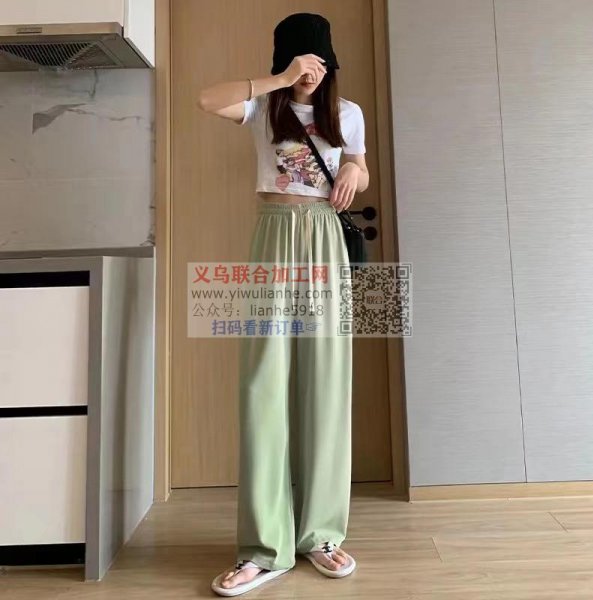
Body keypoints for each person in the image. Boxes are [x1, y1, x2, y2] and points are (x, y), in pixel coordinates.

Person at [196, 12, 369, 597]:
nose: (311, 72)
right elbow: (205, 99)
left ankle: (321, 534)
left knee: (326, 380)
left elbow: (361, 166)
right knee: (262, 383)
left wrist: (353, 171)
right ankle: (263, 547)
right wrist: (278, 79)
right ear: (287, 61)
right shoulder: (263, 107)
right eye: (302, 61)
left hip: (325, 236)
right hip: (273, 234)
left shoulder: (347, 114)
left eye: (319, 63)